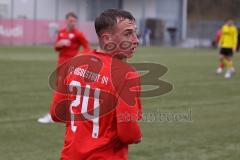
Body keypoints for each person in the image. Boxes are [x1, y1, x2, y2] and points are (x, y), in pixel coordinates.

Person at [50, 9, 142, 159]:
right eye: (128, 34)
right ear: (107, 39)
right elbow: (128, 133)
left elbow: (56, 113)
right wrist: (137, 136)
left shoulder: (74, 63)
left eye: (135, 33)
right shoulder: (126, 74)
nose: (136, 40)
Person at [38, 12, 90, 123]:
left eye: (74, 21)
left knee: (62, 89)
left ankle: (53, 115)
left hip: (72, 66)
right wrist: (60, 43)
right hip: (60, 65)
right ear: (66, 21)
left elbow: (87, 48)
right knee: (61, 88)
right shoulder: (61, 32)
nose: (73, 23)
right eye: (71, 21)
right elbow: (56, 48)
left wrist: (78, 57)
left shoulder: (78, 34)